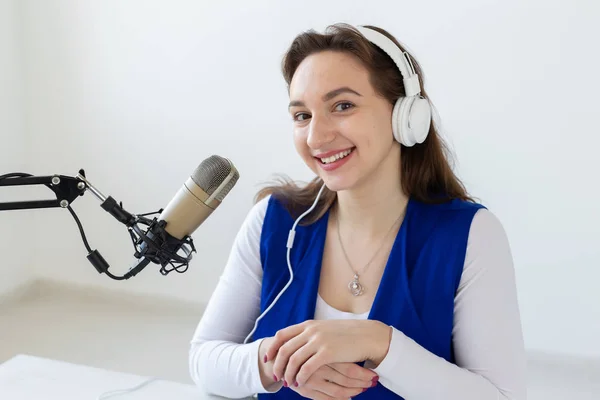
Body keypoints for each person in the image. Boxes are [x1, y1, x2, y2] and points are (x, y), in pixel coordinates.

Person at [188, 23, 527, 400]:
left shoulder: (471, 235)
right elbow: (204, 362)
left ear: (406, 115)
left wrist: (381, 344)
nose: (317, 137)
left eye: (343, 106)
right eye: (302, 115)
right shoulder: (275, 222)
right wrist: (280, 366)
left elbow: (501, 396)